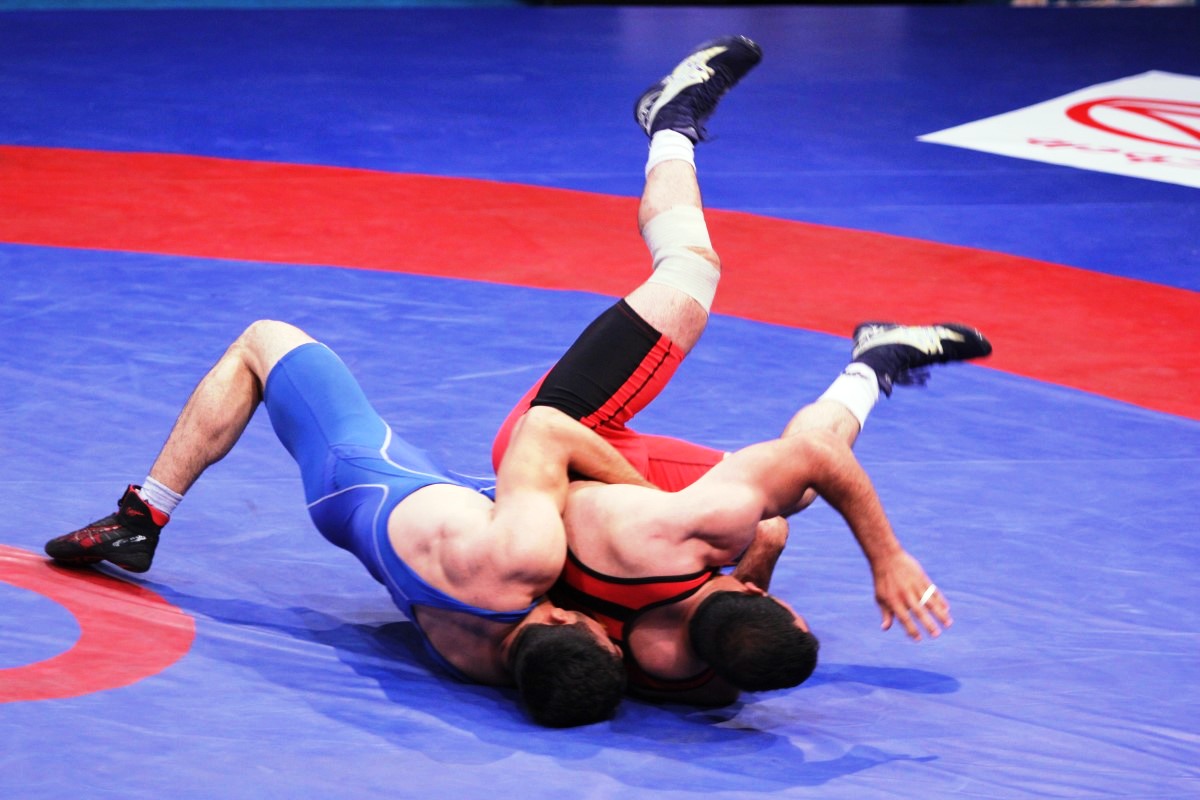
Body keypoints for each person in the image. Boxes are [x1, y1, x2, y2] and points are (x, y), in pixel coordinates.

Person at [491, 35, 992, 705]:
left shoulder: (691, 549)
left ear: (763, 599)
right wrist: (757, 552)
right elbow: (775, 529)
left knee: (690, 273)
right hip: (603, 502)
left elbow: (807, 470)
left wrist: (887, 558)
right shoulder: (686, 679)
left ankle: (669, 123)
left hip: (553, 435)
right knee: (796, 494)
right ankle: (875, 360)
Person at [43, 319, 648, 727]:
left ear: (563, 621)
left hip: (366, 473)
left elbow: (542, 430)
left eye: (602, 636)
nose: (608, 629)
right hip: (399, 522)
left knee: (262, 340)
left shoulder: (521, 566)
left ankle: (141, 516)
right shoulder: (481, 667)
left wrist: (644, 502)